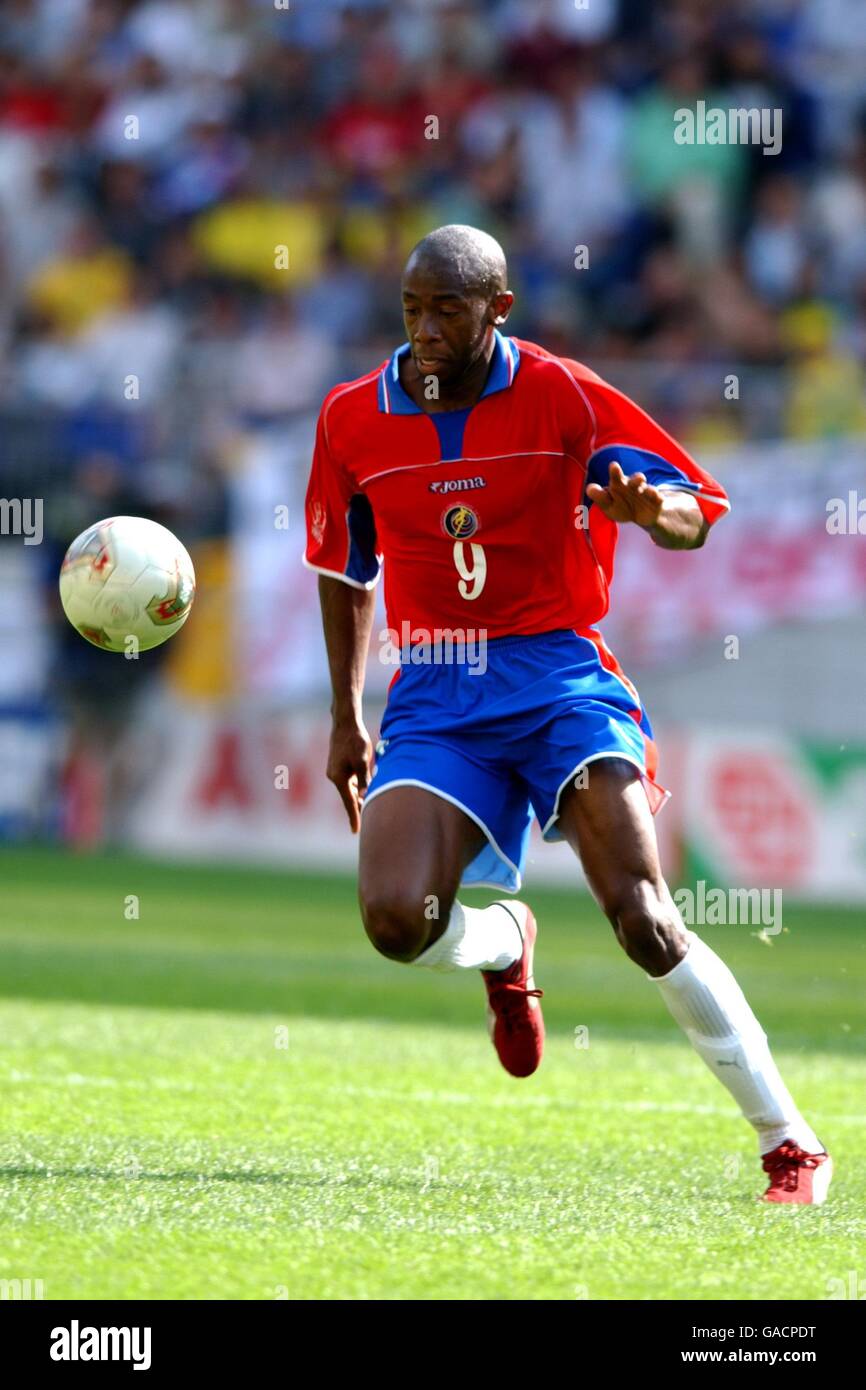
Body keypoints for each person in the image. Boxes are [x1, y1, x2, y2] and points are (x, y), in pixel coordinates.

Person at [303, 224, 831, 1205]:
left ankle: (787, 1140)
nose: (423, 328)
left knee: (641, 917)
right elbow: (343, 568)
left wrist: (645, 513)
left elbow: (694, 513)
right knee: (393, 921)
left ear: (497, 309)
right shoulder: (349, 418)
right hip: (435, 688)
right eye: (411, 307)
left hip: (558, 680)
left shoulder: (560, 392)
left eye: (446, 309)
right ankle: (504, 943)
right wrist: (344, 711)